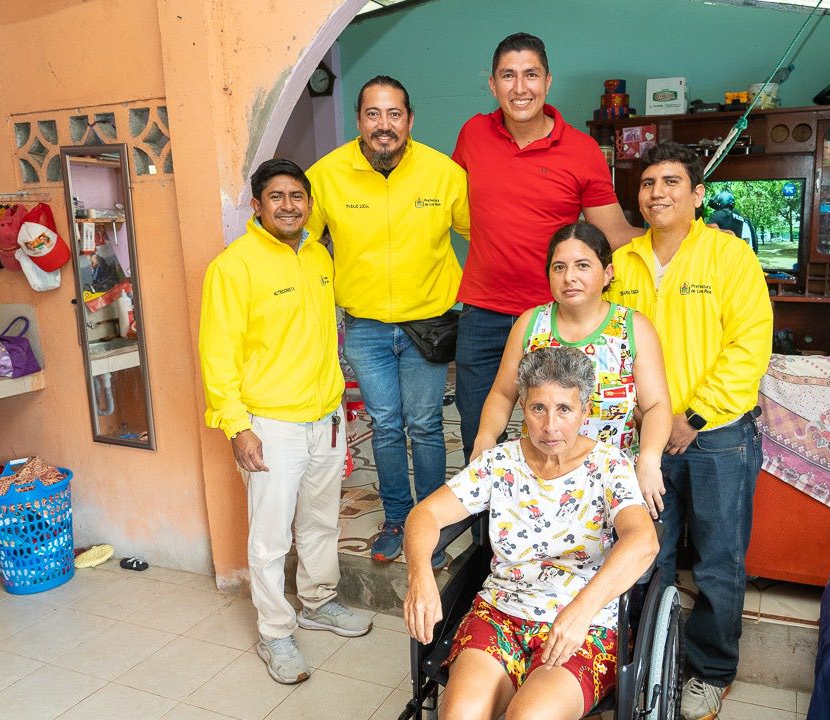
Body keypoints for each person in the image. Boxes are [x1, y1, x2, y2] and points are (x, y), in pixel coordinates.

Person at [607, 141, 772, 720]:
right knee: (645, 552)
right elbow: (610, 338)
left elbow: (749, 346)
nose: (658, 193)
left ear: (698, 195)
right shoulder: (623, 262)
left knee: (718, 563)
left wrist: (693, 417)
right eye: (648, 183)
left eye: (672, 182)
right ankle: (643, 661)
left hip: (717, 438)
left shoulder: (729, 256)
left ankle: (711, 671)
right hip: (644, 441)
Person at [404, 347, 658, 720]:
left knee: (528, 716)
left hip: (583, 624)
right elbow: (423, 515)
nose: (551, 425)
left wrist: (580, 611)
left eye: (564, 409)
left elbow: (643, 541)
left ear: (584, 410)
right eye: (539, 408)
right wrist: (420, 575)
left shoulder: (609, 466)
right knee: (459, 714)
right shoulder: (499, 462)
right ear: (522, 406)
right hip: (501, 613)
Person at [199, 158, 371, 686]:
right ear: (257, 205)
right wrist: (237, 426)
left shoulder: (319, 256)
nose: (289, 206)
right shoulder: (233, 267)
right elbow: (218, 355)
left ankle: (318, 601)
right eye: (277, 197)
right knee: (271, 538)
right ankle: (275, 631)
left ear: (309, 204)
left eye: (297, 196)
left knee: (320, 521)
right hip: (270, 424)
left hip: (325, 417)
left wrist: (336, 405)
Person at [451, 32, 641, 467]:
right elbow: (446, 203)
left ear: (548, 81)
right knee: (479, 435)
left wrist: (688, 235)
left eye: (531, 75)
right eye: (508, 76)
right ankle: (490, 513)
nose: (520, 88)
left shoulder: (582, 150)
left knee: (557, 436)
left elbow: (614, 232)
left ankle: (551, 510)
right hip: (483, 313)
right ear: (492, 84)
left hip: (553, 317)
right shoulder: (473, 134)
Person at [305, 76, 470, 566]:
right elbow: (299, 245)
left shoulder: (444, 173)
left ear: (410, 120)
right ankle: (397, 518)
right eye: (373, 114)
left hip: (429, 325)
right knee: (385, 425)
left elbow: (485, 233)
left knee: (425, 424)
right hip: (366, 328)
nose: (384, 125)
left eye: (394, 114)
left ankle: (431, 522)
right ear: (358, 120)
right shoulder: (326, 175)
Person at [472, 221, 672, 519]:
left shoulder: (633, 328)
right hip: (539, 479)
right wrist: (485, 439)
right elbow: (502, 394)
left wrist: (649, 459)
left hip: (611, 483)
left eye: (583, 265)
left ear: (608, 273)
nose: (569, 278)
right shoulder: (530, 324)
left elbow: (656, 405)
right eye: (559, 267)